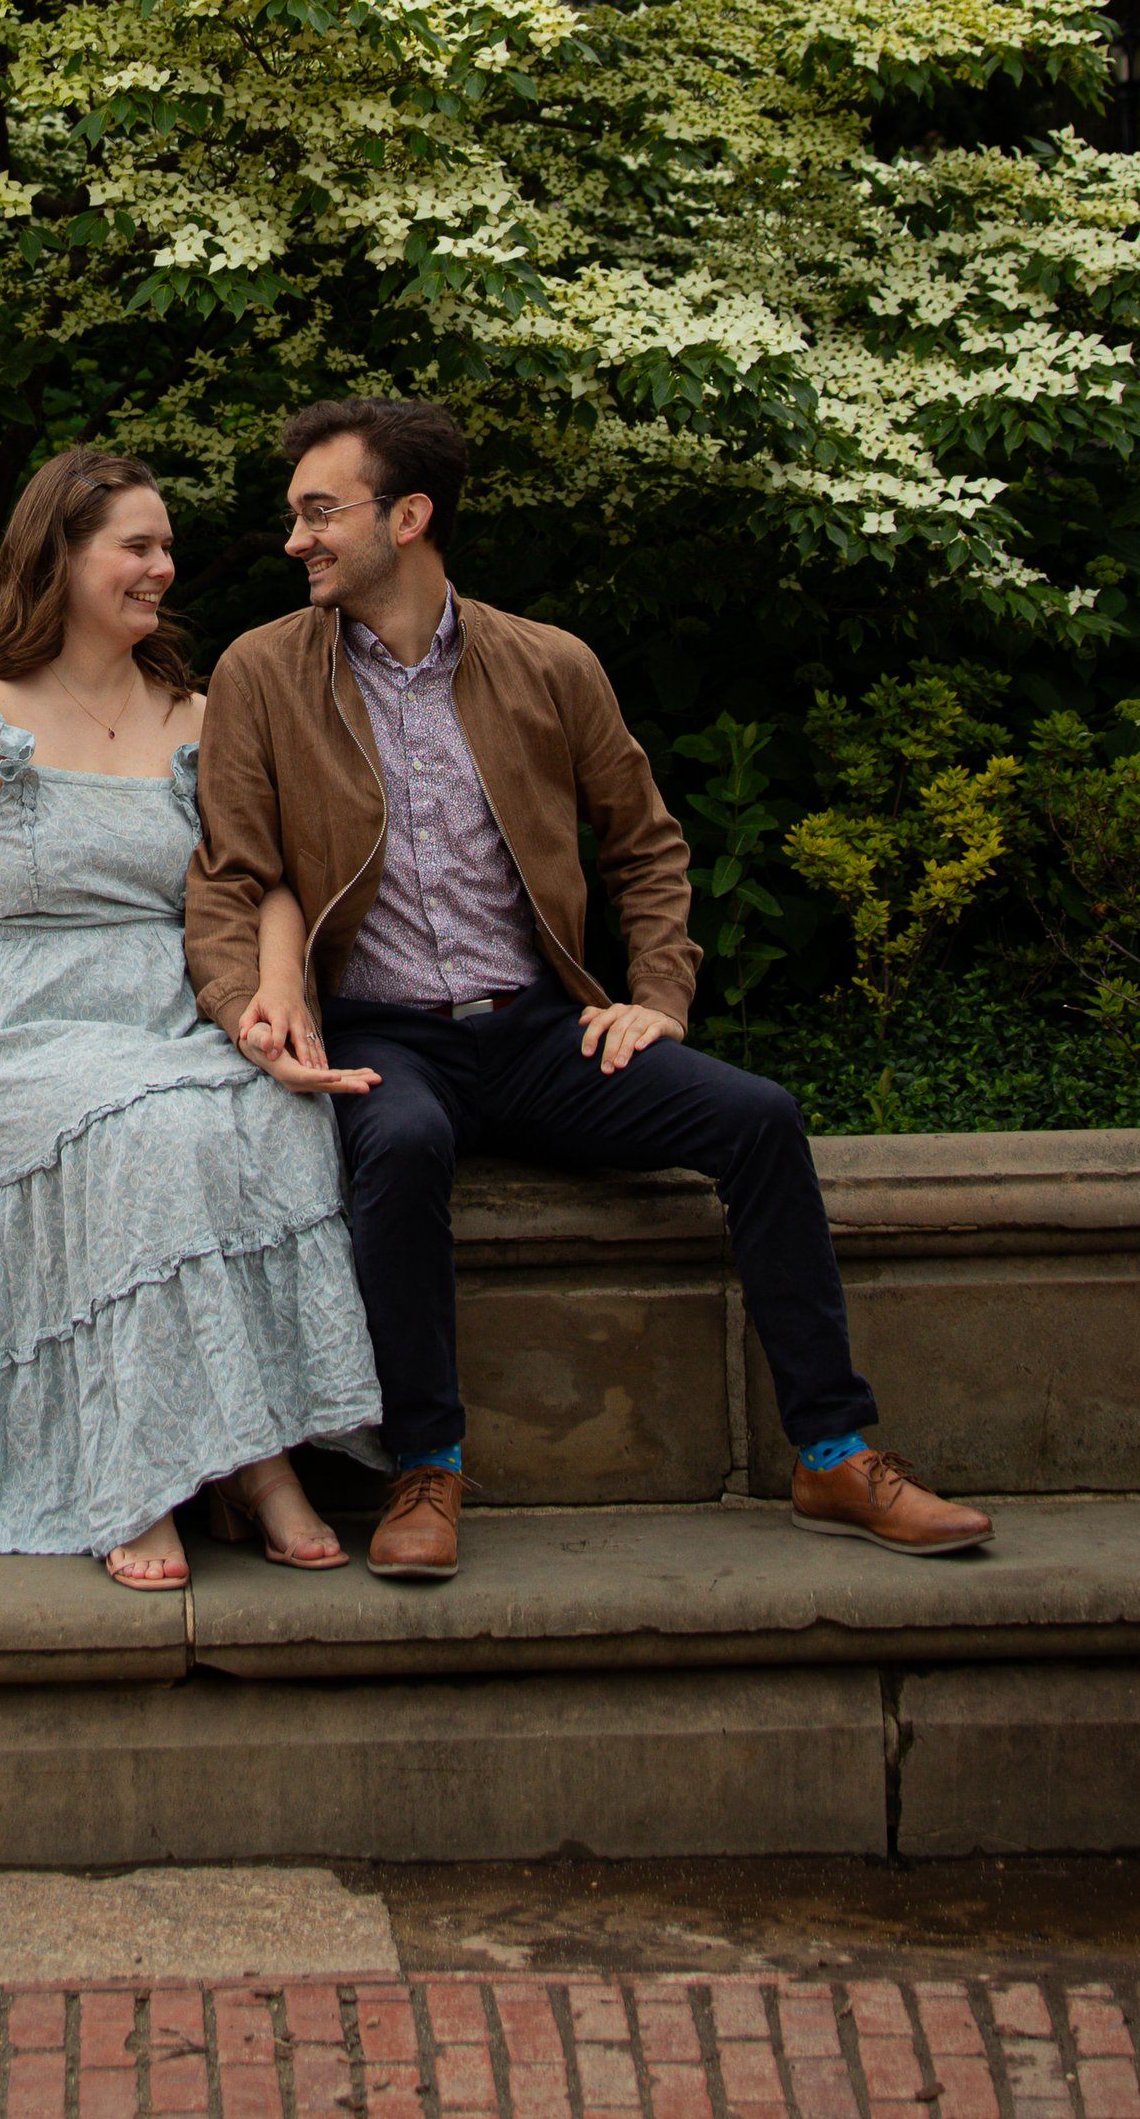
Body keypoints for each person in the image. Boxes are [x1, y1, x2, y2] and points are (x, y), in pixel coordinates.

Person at [184, 396, 995, 1583]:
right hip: (379, 1035)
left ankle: (833, 1452)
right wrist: (244, 1006)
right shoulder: (263, 671)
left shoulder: (548, 663)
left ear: (407, 519)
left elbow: (645, 845)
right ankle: (424, 1469)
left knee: (760, 1120)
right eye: (296, 515)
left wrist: (655, 996)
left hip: (537, 1030)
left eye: (320, 512)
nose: (296, 538)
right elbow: (229, 873)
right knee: (400, 1147)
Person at [0, 443, 386, 1589]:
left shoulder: (200, 717)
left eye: (166, 547)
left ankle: (249, 1453)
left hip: (171, 1016)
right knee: (148, 1129)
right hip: (10, 1035)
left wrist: (278, 992)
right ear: (59, 559)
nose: (162, 568)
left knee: (273, 1113)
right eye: (137, 546)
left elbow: (267, 879)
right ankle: (160, 1477)